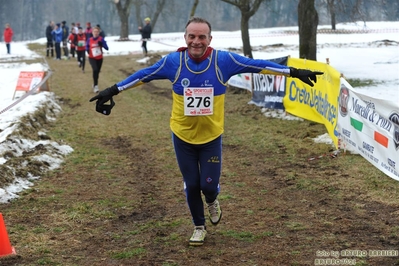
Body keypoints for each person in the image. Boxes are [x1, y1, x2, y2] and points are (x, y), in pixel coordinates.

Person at [89, 17, 323, 246]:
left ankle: (212, 199)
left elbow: (258, 65)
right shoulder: (174, 62)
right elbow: (143, 75)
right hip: (182, 137)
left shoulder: (224, 61)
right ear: (185, 38)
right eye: (192, 36)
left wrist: (294, 72)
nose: (196, 41)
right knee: (191, 185)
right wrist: (112, 90)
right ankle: (198, 227)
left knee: (208, 186)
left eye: (202, 37)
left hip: (211, 137)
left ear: (210, 39)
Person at [86, 26, 108, 92]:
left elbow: (107, 48)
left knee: (97, 72)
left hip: (99, 58)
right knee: (95, 69)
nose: (95, 33)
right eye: (94, 31)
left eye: (97, 32)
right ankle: (96, 86)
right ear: (92, 32)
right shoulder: (89, 39)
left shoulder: (101, 39)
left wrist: (101, 44)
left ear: (98, 33)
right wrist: (87, 50)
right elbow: (87, 46)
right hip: (92, 57)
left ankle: (95, 83)